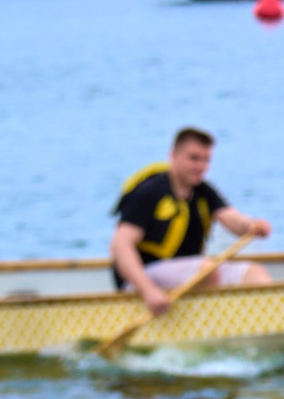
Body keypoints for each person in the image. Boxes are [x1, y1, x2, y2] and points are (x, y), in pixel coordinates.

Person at [110, 128, 273, 311]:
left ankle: (264, 322)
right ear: (173, 156)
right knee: (207, 269)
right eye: (194, 158)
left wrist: (250, 225)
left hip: (188, 274)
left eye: (206, 160)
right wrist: (148, 291)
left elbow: (229, 217)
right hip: (141, 280)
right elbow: (120, 245)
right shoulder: (149, 192)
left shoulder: (202, 191)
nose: (201, 166)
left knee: (254, 273)